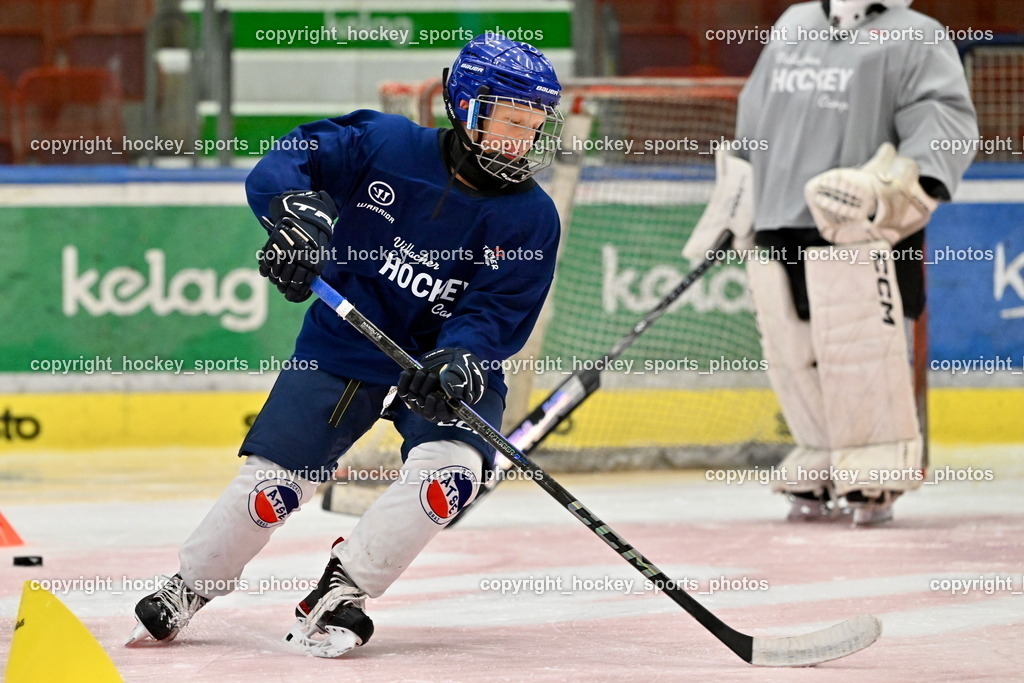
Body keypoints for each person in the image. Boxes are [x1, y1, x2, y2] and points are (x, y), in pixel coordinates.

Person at [127, 33, 563, 657]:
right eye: (510, 122)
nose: (521, 140)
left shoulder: (532, 216)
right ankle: (191, 584)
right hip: (346, 340)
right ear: (466, 107)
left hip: (443, 364)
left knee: (453, 477)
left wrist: (463, 357)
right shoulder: (385, 143)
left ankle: (345, 587)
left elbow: (495, 311)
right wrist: (292, 213)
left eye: (533, 125)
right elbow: (293, 156)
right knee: (273, 487)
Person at [684, 0, 977, 525]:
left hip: (859, 223)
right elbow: (756, 113)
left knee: (860, 344)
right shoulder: (795, 23)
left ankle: (875, 463)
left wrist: (897, 189)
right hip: (778, 215)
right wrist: (737, 197)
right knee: (791, 348)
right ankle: (819, 451)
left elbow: (943, 121)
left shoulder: (918, 35)